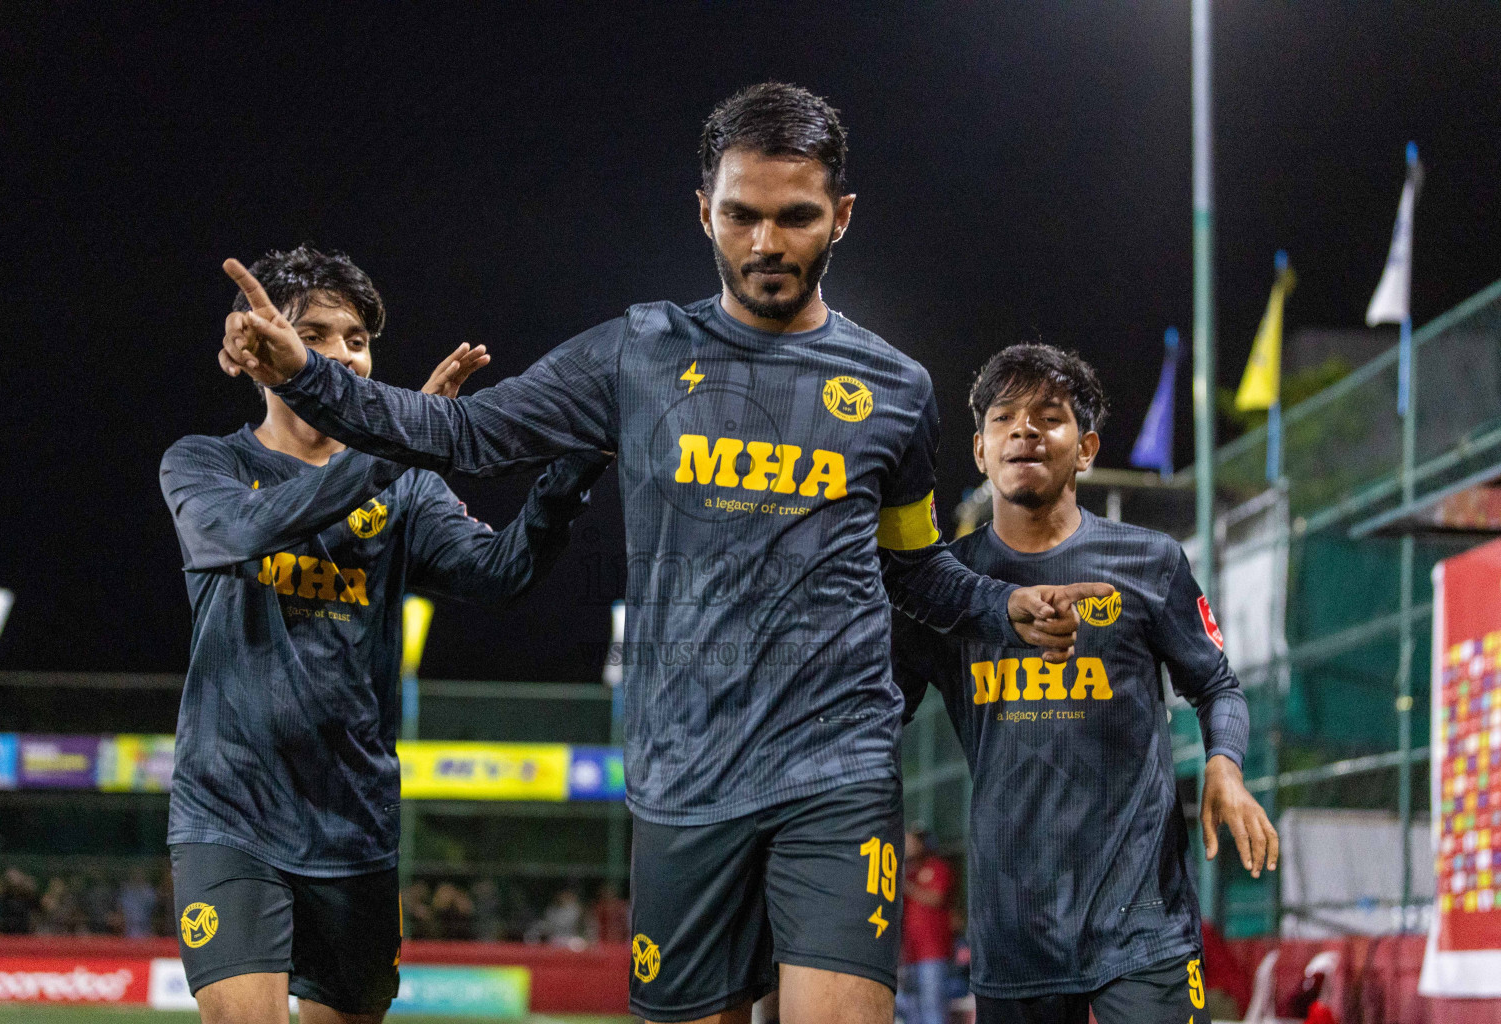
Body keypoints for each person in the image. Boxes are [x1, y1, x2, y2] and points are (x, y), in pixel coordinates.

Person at [218, 85, 1109, 1024]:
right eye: (741, 215)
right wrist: (307, 379)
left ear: (840, 218)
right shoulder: (636, 351)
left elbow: (914, 567)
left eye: (796, 217)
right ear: (704, 213)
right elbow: (464, 432)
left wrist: (1001, 607)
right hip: (685, 778)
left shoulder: (895, 388)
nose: (766, 243)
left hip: (837, 769)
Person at [162, 245, 608, 1024]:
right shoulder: (206, 464)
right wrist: (393, 446)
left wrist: (570, 469)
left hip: (354, 825)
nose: (341, 355)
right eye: (319, 334)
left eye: (357, 340)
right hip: (230, 812)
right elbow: (235, 531)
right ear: (266, 348)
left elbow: (499, 571)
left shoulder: (409, 487)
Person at [893, 344, 1280, 1024]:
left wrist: (1226, 765)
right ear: (981, 452)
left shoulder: (1151, 563)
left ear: (1087, 448)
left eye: (1049, 417)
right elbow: (875, 711)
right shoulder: (946, 588)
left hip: (1143, 924)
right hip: (1013, 933)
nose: (1024, 430)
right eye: (1004, 418)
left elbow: (1216, 684)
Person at [899, 825, 954, 1024]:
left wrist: (907, 886)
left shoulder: (938, 867)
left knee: (933, 1010)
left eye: (913, 840)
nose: (909, 845)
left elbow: (936, 898)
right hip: (911, 954)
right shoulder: (910, 873)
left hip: (934, 954)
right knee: (913, 1011)